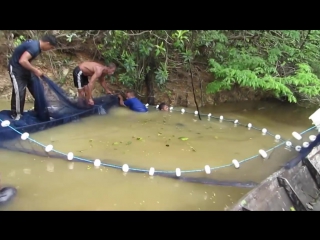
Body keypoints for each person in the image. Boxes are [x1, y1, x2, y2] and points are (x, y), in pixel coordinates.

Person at [8, 35, 57, 120]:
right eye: (51, 47)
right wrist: (35, 70)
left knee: (38, 89)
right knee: (19, 92)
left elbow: (26, 60)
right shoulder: (34, 47)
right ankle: (16, 115)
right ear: (47, 43)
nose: (50, 49)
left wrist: (33, 70)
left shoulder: (37, 47)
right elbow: (22, 60)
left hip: (26, 70)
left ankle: (38, 111)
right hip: (16, 70)